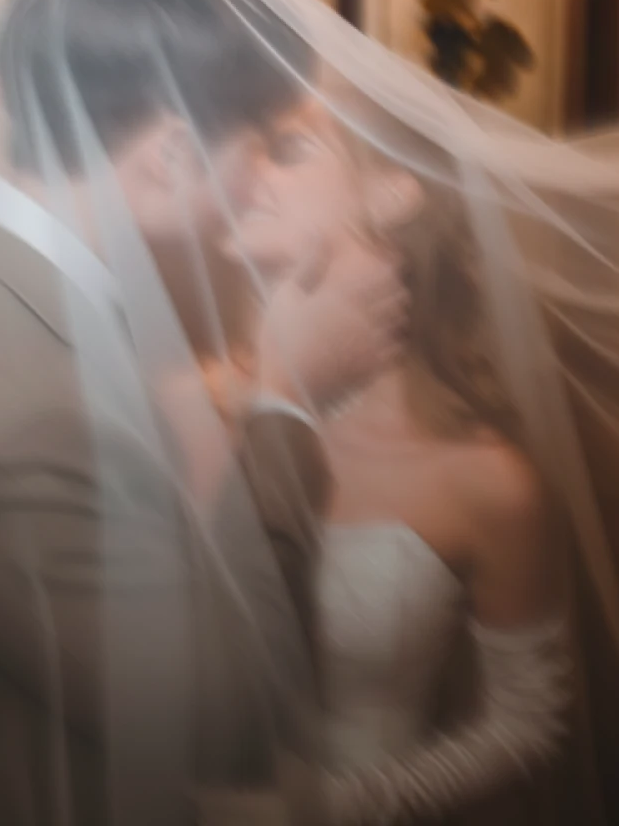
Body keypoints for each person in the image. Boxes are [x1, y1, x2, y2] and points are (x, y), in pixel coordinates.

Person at [0, 0, 409, 826]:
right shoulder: (26, 415)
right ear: (169, 158)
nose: (265, 184)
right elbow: (227, 717)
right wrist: (290, 397)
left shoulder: (4, 288)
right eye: (260, 148)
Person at [207, 84, 576, 826]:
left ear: (394, 193)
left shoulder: (485, 478)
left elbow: (527, 725)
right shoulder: (183, 411)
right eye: (242, 147)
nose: (238, 171)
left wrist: (331, 810)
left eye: (285, 150)